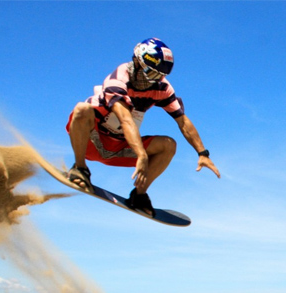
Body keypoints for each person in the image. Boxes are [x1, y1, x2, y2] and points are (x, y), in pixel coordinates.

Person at [66, 37, 219, 216]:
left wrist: (202, 153)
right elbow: (125, 119)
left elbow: (182, 121)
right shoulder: (118, 79)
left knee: (169, 145)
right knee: (82, 109)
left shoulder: (161, 88)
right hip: (92, 141)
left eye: (159, 76)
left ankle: (139, 195)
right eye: (151, 73)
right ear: (138, 61)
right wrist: (141, 155)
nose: (153, 81)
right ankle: (80, 168)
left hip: (120, 148)